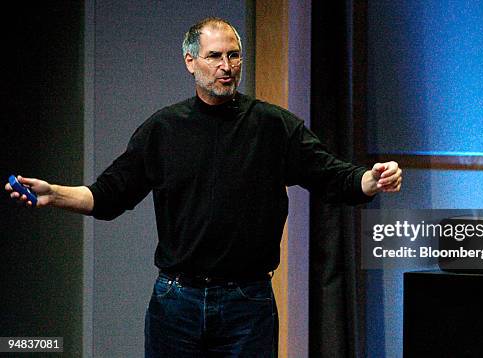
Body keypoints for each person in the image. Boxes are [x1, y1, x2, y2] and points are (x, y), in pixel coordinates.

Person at [5, 17, 402, 357]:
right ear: (190, 62)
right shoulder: (162, 130)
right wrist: (54, 194)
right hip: (177, 300)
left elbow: (331, 175)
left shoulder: (273, 126)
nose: (226, 66)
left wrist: (370, 179)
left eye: (233, 55)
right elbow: (108, 195)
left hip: (248, 302)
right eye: (214, 56)